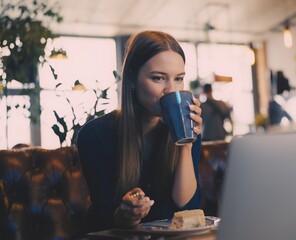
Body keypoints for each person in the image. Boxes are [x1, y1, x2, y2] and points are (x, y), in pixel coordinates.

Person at [77, 30, 203, 232]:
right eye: (158, 78)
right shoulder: (95, 136)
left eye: (178, 78)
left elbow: (186, 208)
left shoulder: (190, 130)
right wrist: (127, 213)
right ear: (132, 79)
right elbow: (106, 217)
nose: (172, 90)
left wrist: (186, 144)